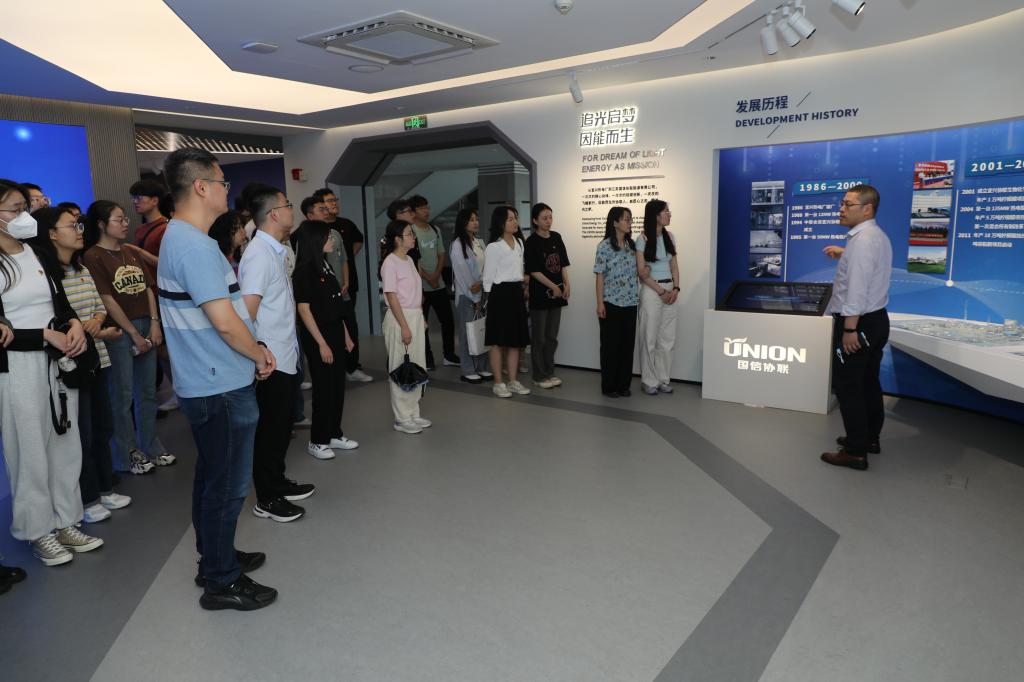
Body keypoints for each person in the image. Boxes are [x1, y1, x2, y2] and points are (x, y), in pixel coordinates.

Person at [158, 147, 276, 611]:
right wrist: (259, 353)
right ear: (201, 187)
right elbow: (225, 323)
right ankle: (222, 581)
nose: (229, 190)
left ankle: (215, 558)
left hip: (208, 379)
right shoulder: (194, 246)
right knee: (226, 485)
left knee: (212, 477)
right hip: (218, 383)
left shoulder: (182, 237)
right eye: (223, 182)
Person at [0, 179, 102, 566]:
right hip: (18, 366)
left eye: (24, 208)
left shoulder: (37, 252)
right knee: (28, 449)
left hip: (58, 361)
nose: (23, 215)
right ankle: (37, 529)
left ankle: (66, 520)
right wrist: (43, 335)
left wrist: (72, 324)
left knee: (65, 443)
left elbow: (60, 303)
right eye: (15, 209)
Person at [31, 207, 131, 523]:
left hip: (96, 357)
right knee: (81, 434)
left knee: (103, 426)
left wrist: (97, 323)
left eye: (79, 225)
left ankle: (104, 488)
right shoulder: (45, 276)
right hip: (70, 363)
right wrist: (92, 328)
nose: (79, 231)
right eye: (72, 226)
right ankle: (86, 499)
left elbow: (99, 308)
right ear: (51, 233)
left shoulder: (81, 267)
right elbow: (60, 320)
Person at [81, 200, 174, 474]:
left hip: (146, 323)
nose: (125, 224)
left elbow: (147, 288)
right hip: (120, 330)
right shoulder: (93, 256)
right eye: (118, 219)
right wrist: (133, 333)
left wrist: (155, 324)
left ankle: (151, 446)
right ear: (101, 224)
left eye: (125, 219)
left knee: (147, 392)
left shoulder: (130, 251)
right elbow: (106, 299)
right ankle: (127, 453)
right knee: (121, 395)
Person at [239, 187, 313, 522]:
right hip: (271, 359)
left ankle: (278, 481)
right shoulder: (258, 254)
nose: (291, 210)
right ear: (273, 214)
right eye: (287, 205)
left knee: (281, 426)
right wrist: (258, 352)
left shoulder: (275, 250)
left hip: (285, 352)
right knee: (270, 429)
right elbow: (248, 311)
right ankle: (267, 498)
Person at [820, 184, 892, 471]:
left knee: (849, 386)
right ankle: (869, 438)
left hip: (857, 324)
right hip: (876, 321)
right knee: (867, 382)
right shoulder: (874, 236)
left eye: (848, 204)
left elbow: (857, 290)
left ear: (867, 209)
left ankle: (855, 451)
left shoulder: (862, 242)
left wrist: (849, 330)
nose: (841, 209)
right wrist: (844, 253)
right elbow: (868, 269)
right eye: (842, 203)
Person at [292, 220, 359, 459]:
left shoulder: (326, 265)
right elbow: (304, 310)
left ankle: (333, 433)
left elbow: (336, 305)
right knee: (324, 389)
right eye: (328, 237)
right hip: (317, 335)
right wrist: (321, 343)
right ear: (315, 240)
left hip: (334, 331)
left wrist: (346, 335)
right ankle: (318, 440)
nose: (332, 241)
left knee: (337, 387)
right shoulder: (304, 271)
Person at [314, 187, 372, 383]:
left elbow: (358, 240)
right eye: (329, 201)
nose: (334, 204)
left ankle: (352, 366)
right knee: (331, 328)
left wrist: (345, 259)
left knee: (350, 326)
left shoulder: (345, 225)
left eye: (335, 200)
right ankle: (335, 367)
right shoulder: (313, 232)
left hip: (347, 285)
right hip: (325, 290)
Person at [380, 220, 431, 433]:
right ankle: (401, 417)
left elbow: (414, 292)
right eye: (409, 234)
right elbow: (391, 296)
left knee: (416, 365)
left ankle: (413, 413)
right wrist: (405, 326)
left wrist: (420, 317)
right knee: (400, 365)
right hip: (400, 318)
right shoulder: (390, 263)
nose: (413, 237)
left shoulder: (409, 259)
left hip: (414, 316)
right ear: (397, 239)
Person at [482, 206, 531, 398]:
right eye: (510, 219)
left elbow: (520, 269)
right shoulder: (494, 247)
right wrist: (488, 302)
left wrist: (524, 284)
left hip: (516, 293)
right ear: (500, 222)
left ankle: (513, 381)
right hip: (499, 295)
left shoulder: (519, 243)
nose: (515, 222)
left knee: (515, 341)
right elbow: (487, 277)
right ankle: (498, 383)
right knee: (497, 341)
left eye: (515, 218)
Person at [635, 199, 680, 396]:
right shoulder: (642, 239)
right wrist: (661, 291)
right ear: (655, 215)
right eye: (666, 211)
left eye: (669, 210)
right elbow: (642, 272)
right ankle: (648, 380)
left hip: (670, 289)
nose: (669, 214)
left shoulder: (670, 236)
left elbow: (674, 266)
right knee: (649, 338)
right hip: (652, 291)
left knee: (667, 338)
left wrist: (676, 288)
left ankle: (663, 379)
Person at [594, 207, 639, 397]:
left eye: (630, 219)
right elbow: (599, 276)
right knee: (610, 346)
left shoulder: (632, 246)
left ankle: (623, 385)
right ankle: (609, 386)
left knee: (627, 346)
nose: (629, 222)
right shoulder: (604, 246)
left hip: (631, 302)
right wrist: (600, 303)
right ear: (615, 222)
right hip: (611, 302)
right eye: (626, 219)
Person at [408, 195, 457, 371]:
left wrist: (436, 275)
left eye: (427, 207)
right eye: (422, 208)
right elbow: (413, 260)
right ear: (413, 212)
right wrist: (428, 278)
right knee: (423, 325)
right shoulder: (410, 231)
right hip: (421, 287)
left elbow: (441, 254)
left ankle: (449, 355)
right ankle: (427, 358)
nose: (426, 211)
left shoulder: (435, 230)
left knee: (448, 321)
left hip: (439, 284)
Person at [525, 203, 570, 389]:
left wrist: (567, 284)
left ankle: (550, 372)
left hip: (557, 294)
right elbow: (533, 270)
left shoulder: (557, 237)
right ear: (535, 221)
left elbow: (563, 264)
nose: (548, 221)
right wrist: (553, 286)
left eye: (550, 217)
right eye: (544, 218)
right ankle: (539, 375)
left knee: (552, 337)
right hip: (540, 295)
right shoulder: (531, 242)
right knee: (539, 338)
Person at [449, 208, 491, 383]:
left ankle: (481, 367)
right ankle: (467, 369)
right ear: (463, 222)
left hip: (481, 293)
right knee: (467, 333)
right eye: (471, 219)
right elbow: (463, 275)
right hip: (467, 296)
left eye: (476, 219)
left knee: (481, 330)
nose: (475, 222)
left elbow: (487, 267)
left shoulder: (479, 242)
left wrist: (482, 286)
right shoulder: (457, 245)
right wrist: (475, 297)